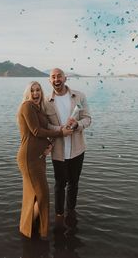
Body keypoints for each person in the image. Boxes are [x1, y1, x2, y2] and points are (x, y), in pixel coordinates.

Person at [17, 81, 73, 239]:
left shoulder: (38, 108)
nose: (36, 93)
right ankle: (36, 230)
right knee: (43, 195)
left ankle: (28, 229)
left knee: (33, 195)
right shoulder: (27, 106)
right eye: (33, 90)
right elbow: (35, 131)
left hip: (38, 157)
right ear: (28, 93)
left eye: (38, 91)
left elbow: (40, 132)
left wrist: (48, 144)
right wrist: (61, 133)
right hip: (29, 158)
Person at [44, 68, 91, 230]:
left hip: (78, 148)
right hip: (58, 150)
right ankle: (59, 215)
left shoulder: (79, 96)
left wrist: (77, 125)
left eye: (59, 76)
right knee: (59, 184)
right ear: (49, 81)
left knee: (74, 182)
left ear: (65, 78)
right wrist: (60, 130)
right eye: (53, 77)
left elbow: (88, 119)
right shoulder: (45, 101)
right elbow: (45, 125)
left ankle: (71, 211)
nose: (57, 79)